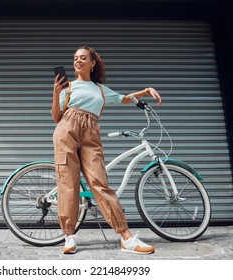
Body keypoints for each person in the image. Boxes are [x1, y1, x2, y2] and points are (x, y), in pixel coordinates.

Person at [51, 46, 162, 254]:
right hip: (66, 129)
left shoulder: (101, 90)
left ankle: (126, 238)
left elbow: (125, 98)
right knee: (68, 183)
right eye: (75, 58)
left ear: (92, 63)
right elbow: (56, 117)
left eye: (83, 58)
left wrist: (145, 91)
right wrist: (56, 93)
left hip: (91, 132)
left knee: (100, 183)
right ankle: (69, 237)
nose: (78, 61)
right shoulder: (68, 87)